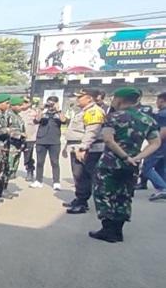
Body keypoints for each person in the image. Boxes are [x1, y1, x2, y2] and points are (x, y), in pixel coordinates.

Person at [89, 87, 161, 242]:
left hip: (110, 164)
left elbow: (108, 139)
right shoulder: (147, 119)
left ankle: (108, 230)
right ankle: (118, 231)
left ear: (119, 99)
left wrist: (124, 156)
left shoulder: (113, 117)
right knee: (124, 196)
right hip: (131, 166)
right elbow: (155, 143)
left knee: (104, 194)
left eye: (114, 98)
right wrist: (137, 157)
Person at [63, 89, 106, 214]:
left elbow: (92, 132)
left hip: (88, 150)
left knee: (83, 175)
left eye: (80, 97)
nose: (78, 99)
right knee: (78, 175)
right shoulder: (85, 111)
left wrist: (83, 148)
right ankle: (80, 199)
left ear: (89, 98)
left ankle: (82, 202)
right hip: (77, 147)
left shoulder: (94, 112)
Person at [31, 95, 66, 189]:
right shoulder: (43, 112)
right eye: (49, 102)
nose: (50, 105)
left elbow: (64, 120)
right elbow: (36, 121)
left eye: (52, 103)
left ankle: (56, 182)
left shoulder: (59, 114)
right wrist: (41, 110)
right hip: (41, 140)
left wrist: (58, 110)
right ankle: (38, 180)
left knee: (55, 162)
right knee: (40, 162)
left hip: (54, 141)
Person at [0, 96, 27, 198]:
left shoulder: (17, 116)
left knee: (11, 168)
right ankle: (1, 189)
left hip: (17, 146)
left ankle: (4, 188)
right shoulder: (8, 115)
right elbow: (6, 130)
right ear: (13, 105)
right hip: (10, 145)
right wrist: (19, 135)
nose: (21, 107)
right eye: (19, 105)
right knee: (6, 168)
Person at [142, 92, 166, 201]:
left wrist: (155, 144)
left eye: (158, 101)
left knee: (146, 168)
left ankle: (162, 188)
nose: (156, 103)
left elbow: (163, 131)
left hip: (160, 145)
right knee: (160, 167)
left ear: (162, 101)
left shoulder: (162, 114)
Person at [19, 97, 39, 181]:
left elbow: (38, 122)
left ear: (29, 103)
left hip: (30, 138)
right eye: (22, 102)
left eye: (25, 102)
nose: (23, 104)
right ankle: (11, 172)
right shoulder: (18, 112)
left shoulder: (34, 113)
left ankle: (30, 171)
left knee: (28, 157)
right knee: (14, 156)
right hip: (18, 138)